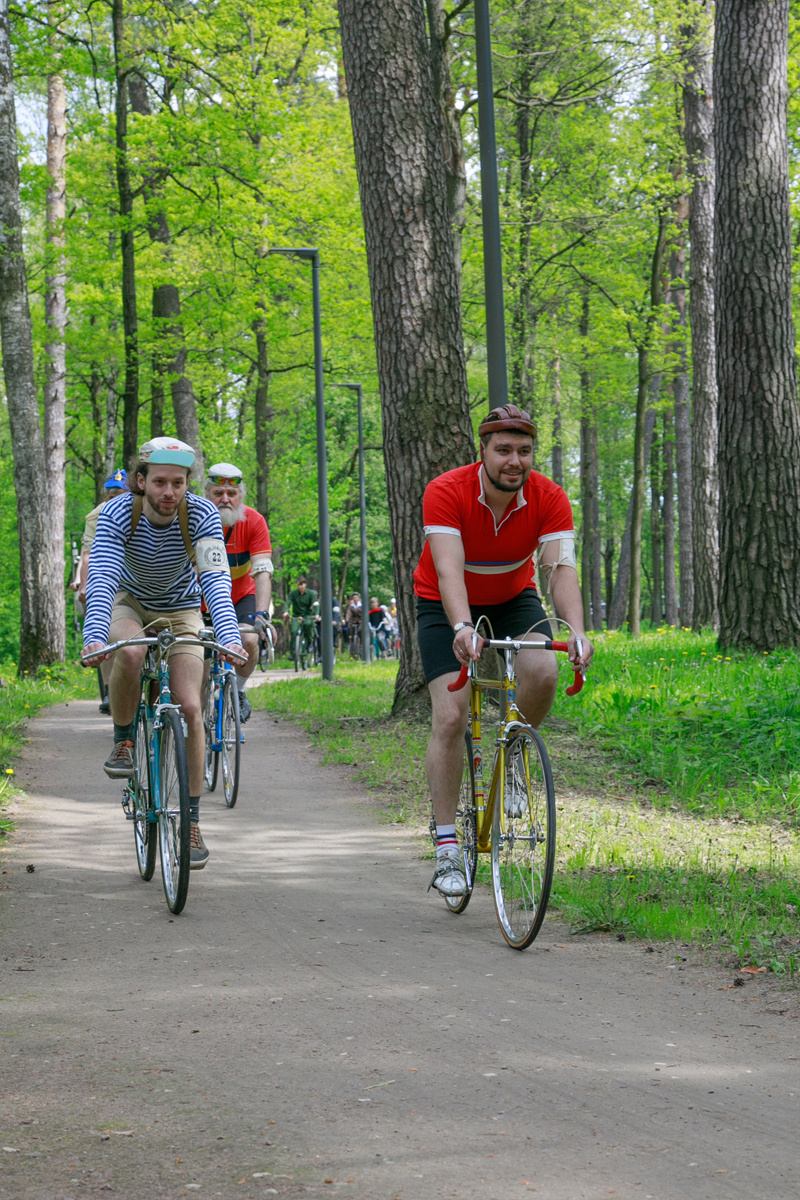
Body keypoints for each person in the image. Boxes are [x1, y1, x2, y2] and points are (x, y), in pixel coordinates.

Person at [413, 403, 594, 898]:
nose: (514, 461)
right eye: (503, 450)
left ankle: (513, 758)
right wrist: (461, 625)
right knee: (450, 717)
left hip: (514, 596)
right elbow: (449, 569)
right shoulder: (446, 491)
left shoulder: (549, 496)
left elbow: (559, 570)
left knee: (544, 671)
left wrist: (576, 630)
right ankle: (448, 844)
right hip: (444, 601)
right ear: (483, 452)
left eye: (524, 451)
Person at [82, 437, 246, 871]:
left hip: (182, 609)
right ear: (141, 481)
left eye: (178, 482)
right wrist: (96, 636)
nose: (169, 492)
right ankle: (123, 742)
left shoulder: (202, 513)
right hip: (129, 601)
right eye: (159, 482)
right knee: (131, 652)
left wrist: (228, 636)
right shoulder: (117, 514)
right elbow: (101, 577)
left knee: (191, 706)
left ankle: (190, 823)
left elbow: (215, 580)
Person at [204, 462, 273, 721]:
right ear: (207, 494)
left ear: (240, 496)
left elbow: (263, 570)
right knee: (197, 662)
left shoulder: (254, 521)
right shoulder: (193, 518)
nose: (225, 499)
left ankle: (240, 690)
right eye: (217, 493)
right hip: (201, 599)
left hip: (241, 595)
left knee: (249, 640)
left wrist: (262, 614)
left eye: (231, 494)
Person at [69, 469, 128, 715]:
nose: (114, 499)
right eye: (111, 494)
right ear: (105, 497)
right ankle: (107, 690)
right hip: (109, 580)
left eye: (120, 493)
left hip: (138, 580)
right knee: (105, 627)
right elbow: (88, 554)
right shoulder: (95, 517)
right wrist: (84, 586)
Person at [283, 577, 319, 659]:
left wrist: (316, 614)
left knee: (309, 625)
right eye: (298, 585)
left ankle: (310, 642)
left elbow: (316, 604)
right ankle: (293, 652)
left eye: (301, 585)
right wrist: (286, 611)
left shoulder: (310, 594)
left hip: (308, 616)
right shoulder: (293, 593)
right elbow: (288, 602)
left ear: (305, 585)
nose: (300, 587)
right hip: (297, 616)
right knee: (293, 631)